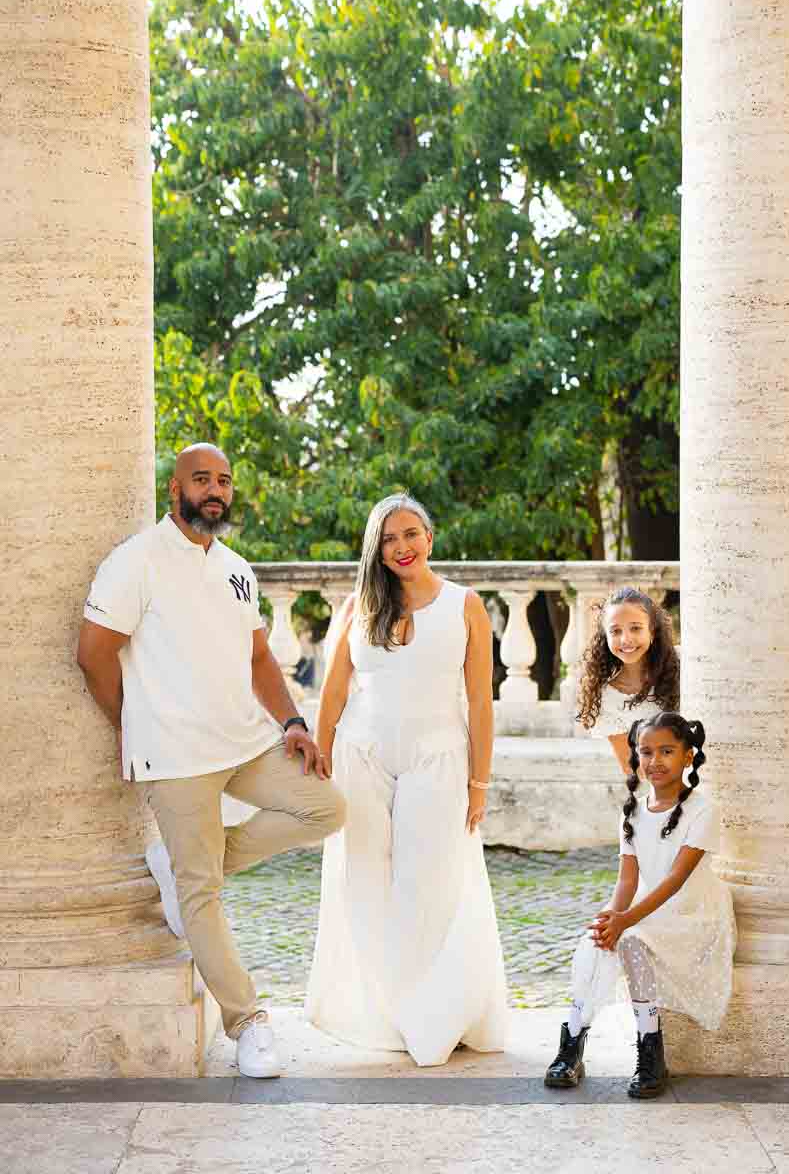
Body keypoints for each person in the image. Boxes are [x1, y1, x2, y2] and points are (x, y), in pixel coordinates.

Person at [77, 443, 346, 1079]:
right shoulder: (135, 561)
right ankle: (247, 1021)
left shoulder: (236, 568)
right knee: (202, 897)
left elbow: (259, 661)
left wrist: (293, 722)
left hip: (244, 740)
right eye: (201, 479)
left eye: (223, 480)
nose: (215, 490)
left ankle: (187, 861)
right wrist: (133, 725)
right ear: (175, 489)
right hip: (174, 755)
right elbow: (94, 655)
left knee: (326, 808)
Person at [304, 492, 507, 1065]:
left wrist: (480, 783)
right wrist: (319, 764)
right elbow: (335, 693)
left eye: (410, 534)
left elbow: (480, 703)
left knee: (429, 884)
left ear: (430, 538)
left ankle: (435, 1011)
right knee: (365, 879)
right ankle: (384, 1012)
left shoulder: (465, 606)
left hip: (438, 758)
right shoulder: (357, 608)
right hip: (361, 757)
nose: (401, 547)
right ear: (376, 549)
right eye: (389, 539)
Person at [544, 712, 736, 1098]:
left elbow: (674, 881)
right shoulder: (631, 811)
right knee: (600, 943)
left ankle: (651, 1053)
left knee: (629, 938)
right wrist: (612, 919)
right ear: (635, 757)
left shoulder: (703, 811)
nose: (655, 761)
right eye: (646, 752)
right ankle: (571, 1046)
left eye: (667, 750)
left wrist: (626, 921)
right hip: (646, 908)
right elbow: (627, 880)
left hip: (691, 912)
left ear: (687, 756)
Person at [576, 586, 679, 773]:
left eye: (636, 628)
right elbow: (631, 766)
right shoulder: (606, 697)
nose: (626, 639)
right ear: (605, 637)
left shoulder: (683, 664)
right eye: (615, 631)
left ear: (652, 631)